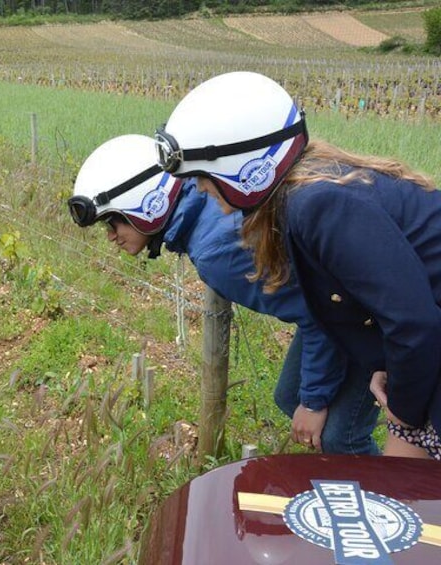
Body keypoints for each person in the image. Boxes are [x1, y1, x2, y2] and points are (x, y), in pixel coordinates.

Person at [154, 70, 441, 460]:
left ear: (244, 167)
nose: (201, 189)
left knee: (408, 499)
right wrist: (383, 364)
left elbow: (414, 323)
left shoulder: (316, 207)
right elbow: (376, 300)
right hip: (426, 350)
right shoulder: (305, 195)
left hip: (429, 346)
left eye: (203, 177)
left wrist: (405, 421)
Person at [67, 134, 379, 455]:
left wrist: (314, 404)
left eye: (113, 222)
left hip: (364, 304)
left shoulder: (215, 253)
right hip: (342, 294)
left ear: (147, 201)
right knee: (290, 397)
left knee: (341, 436)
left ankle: (394, 495)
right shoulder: (206, 209)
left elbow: (320, 312)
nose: (110, 237)